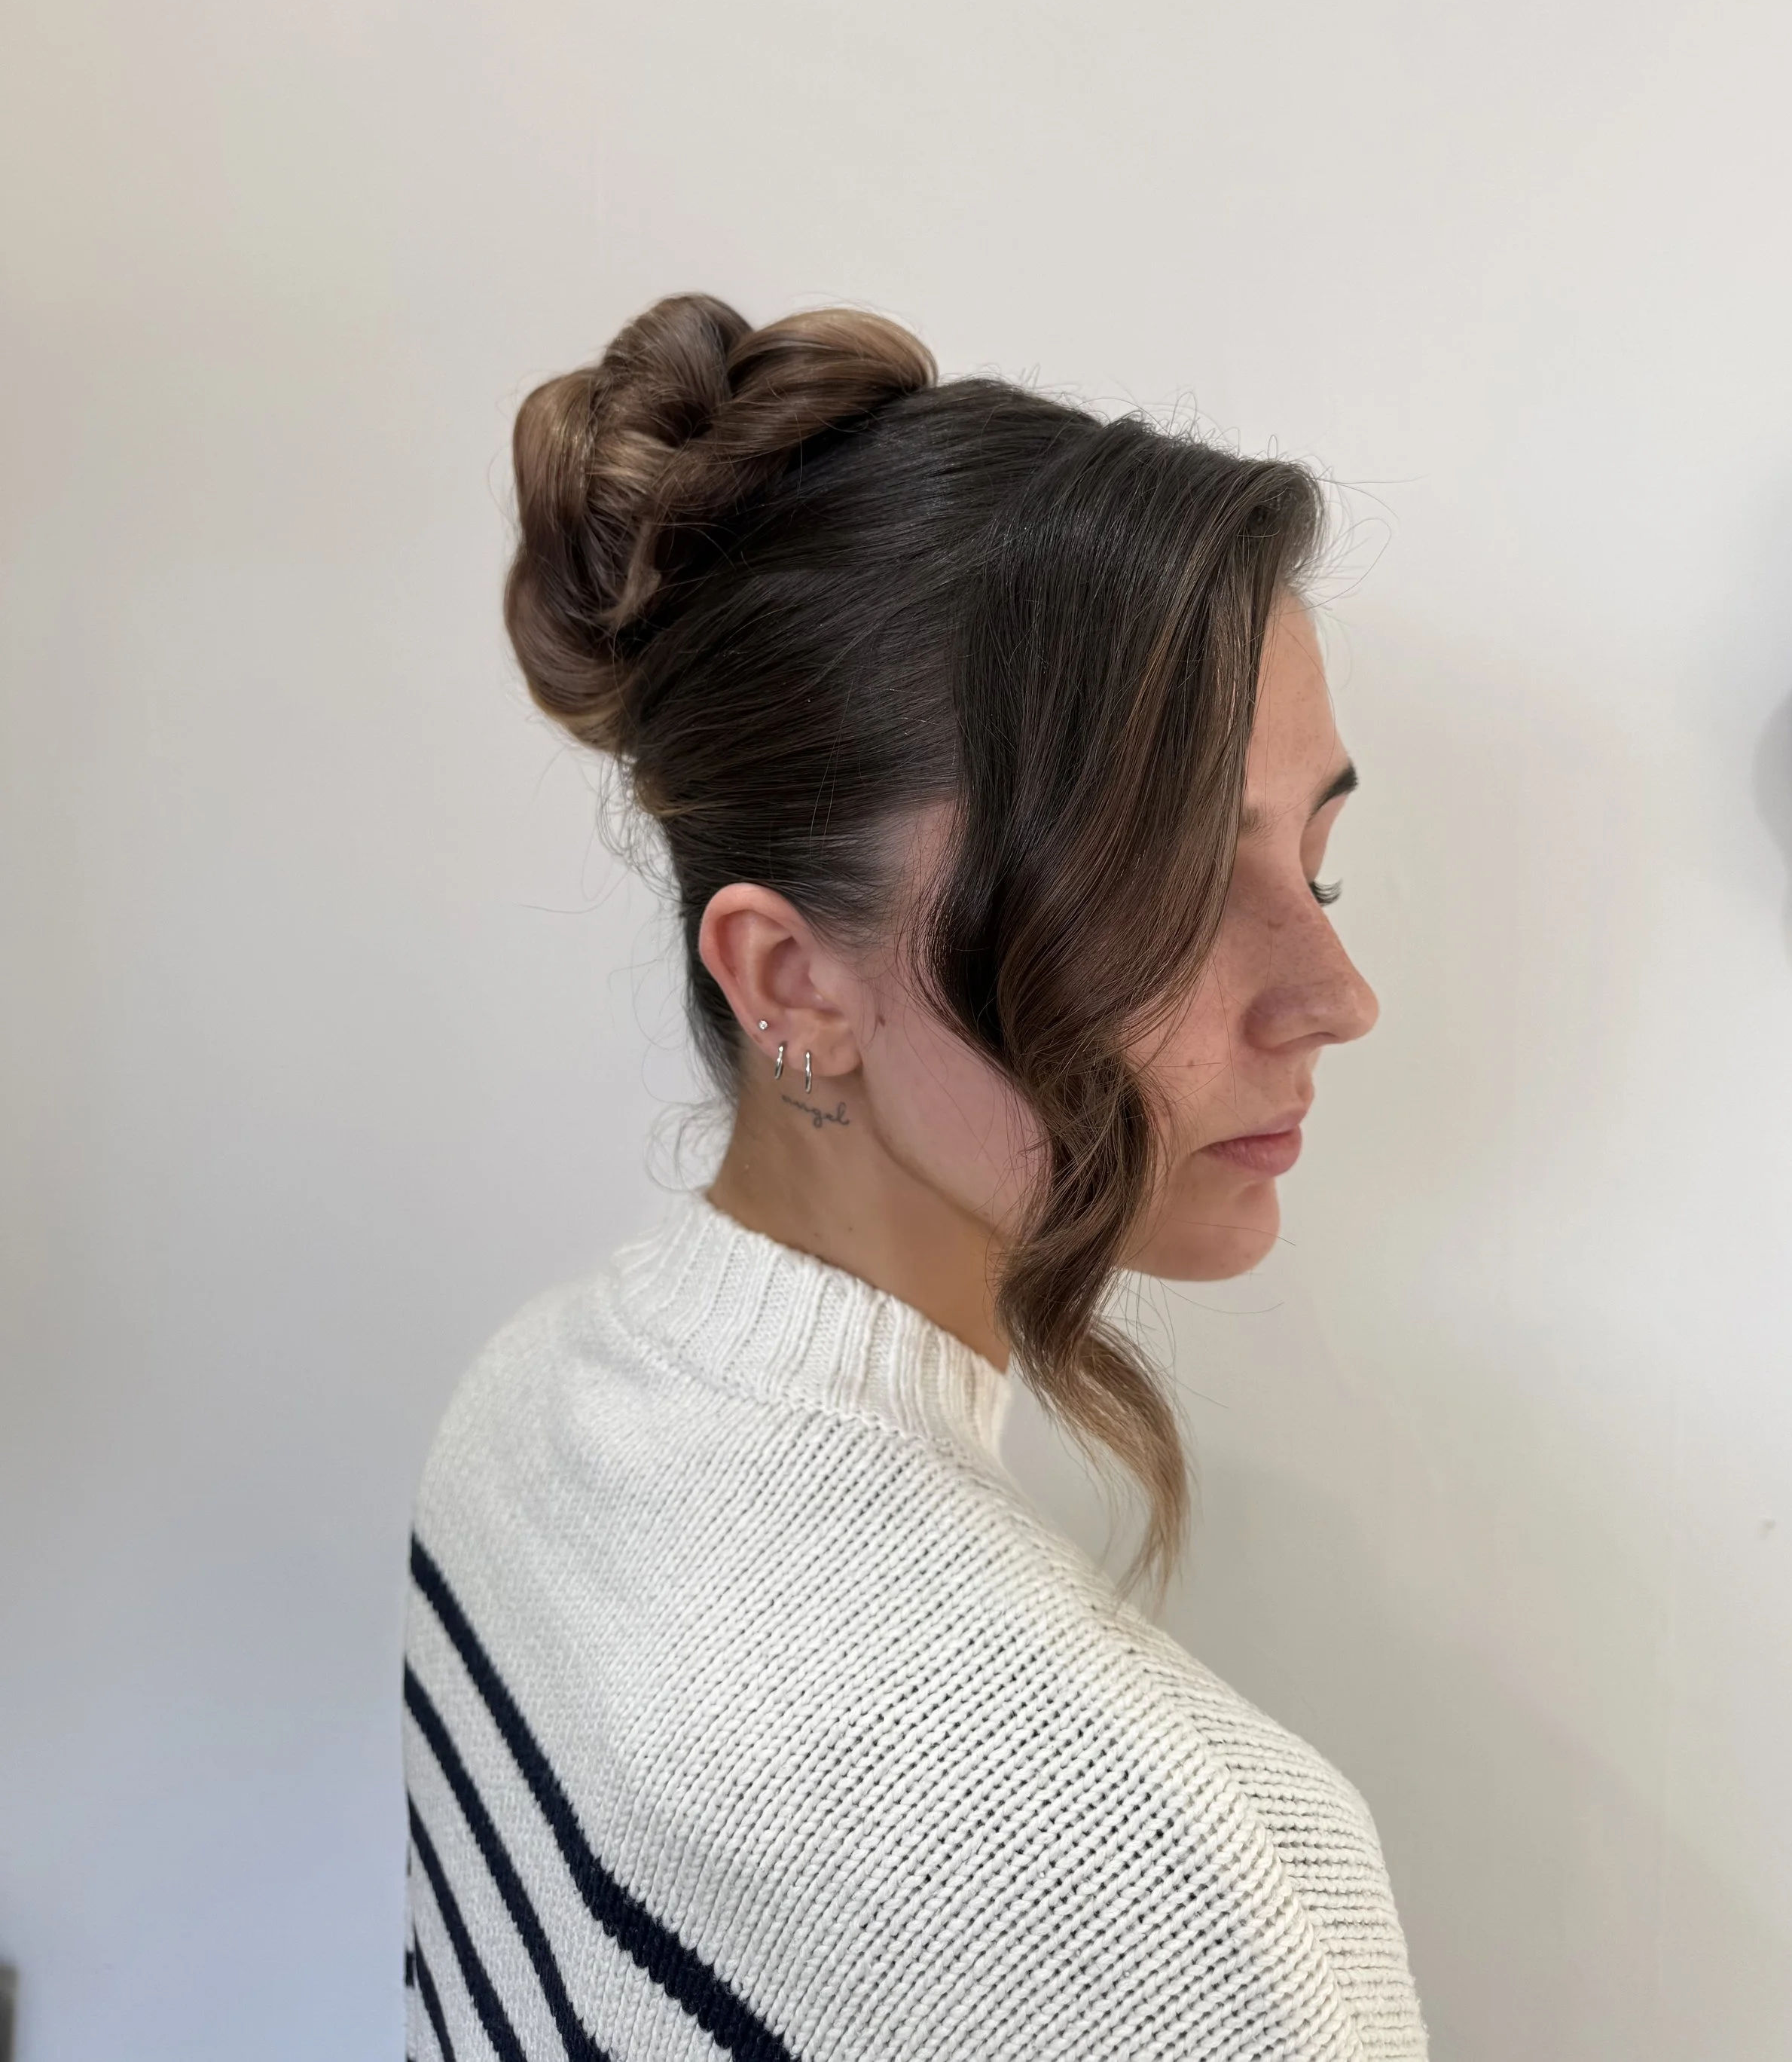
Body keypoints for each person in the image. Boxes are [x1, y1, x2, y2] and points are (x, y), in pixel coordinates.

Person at [401, 295, 1427, 2060]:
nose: (1335, 996)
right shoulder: (1188, 1912)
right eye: (1167, 883)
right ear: (792, 981)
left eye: (1314, 867)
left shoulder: (515, 1407)